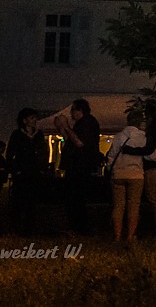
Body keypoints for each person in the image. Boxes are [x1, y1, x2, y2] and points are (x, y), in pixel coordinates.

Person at [121, 102, 156, 239]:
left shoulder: (152, 132)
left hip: (154, 169)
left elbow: (148, 150)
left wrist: (129, 150)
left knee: (155, 201)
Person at [57, 98, 101, 235]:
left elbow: (79, 143)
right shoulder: (81, 124)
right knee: (73, 197)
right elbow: (70, 140)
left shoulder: (87, 123)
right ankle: (76, 227)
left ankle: (78, 228)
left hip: (80, 166)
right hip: (77, 166)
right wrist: (61, 127)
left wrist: (66, 126)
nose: (71, 113)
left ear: (79, 110)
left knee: (76, 198)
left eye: (73, 110)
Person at [6, 108, 50, 235]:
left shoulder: (39, 134)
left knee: (32, 201)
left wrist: (42, 168)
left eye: (35, 118)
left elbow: (44, 152)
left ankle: (29, 228)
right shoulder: (17, 135)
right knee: (19, 201)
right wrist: (15, 170)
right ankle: (17, 227)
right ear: (24, 121)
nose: (34, 120)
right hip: (22, 173)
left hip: (34, 172)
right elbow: (10, 153)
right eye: (31, 118)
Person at [106, 109, 147, 242]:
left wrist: (111, 169)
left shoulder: (119, 136)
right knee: (134, 205)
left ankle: (117, 235)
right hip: (136, 174)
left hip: (118, 173)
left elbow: (111, 155)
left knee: (118, 205)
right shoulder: (143, 136)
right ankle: (130, 235)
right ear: (140, 122)